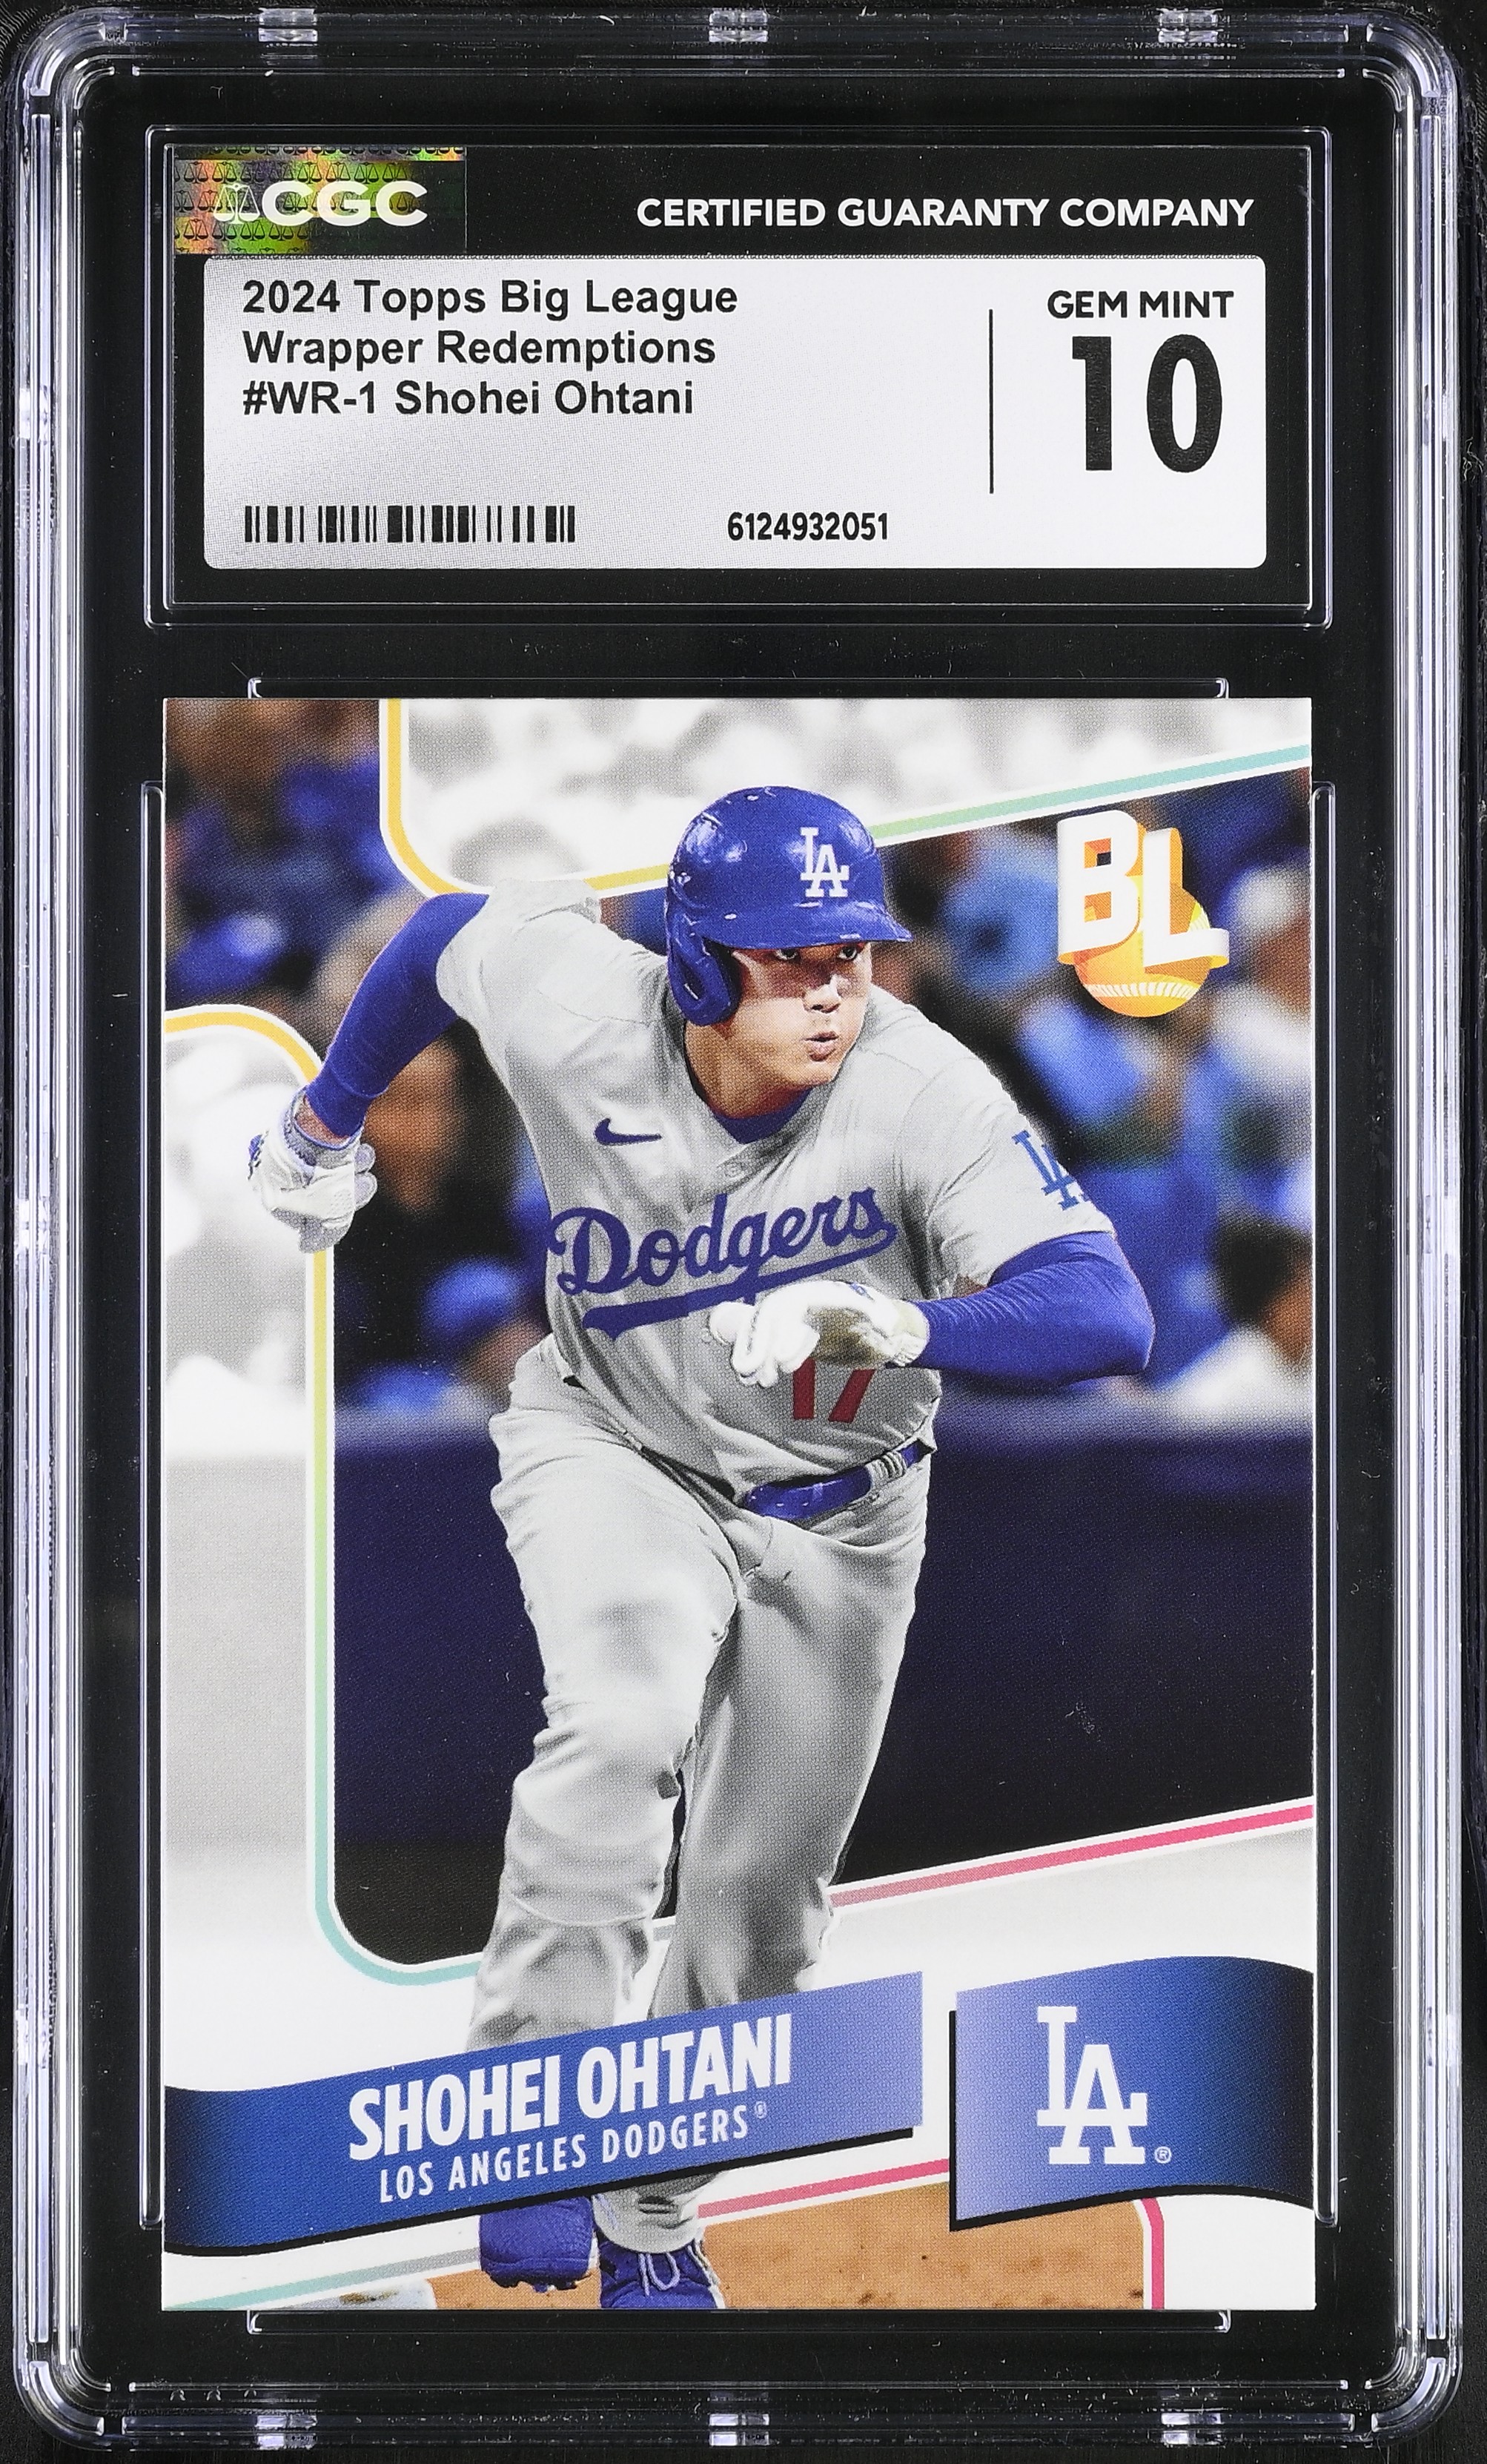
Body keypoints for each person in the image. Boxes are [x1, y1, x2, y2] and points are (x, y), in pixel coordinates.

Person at [248, 786, 1153, 2310]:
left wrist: (906, 1325)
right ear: (691, 964)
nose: (832, 989)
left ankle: (653, 2217)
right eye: (791, 960)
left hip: (848, 1505)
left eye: (848, 955)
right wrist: (325, 1115)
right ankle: (531, 2127)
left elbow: (1106, 1312)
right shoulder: (582, 1010)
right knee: (620, 1726)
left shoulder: (917, 1086)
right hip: (620, 1448)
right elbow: (447, 932)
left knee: (762, 1916)